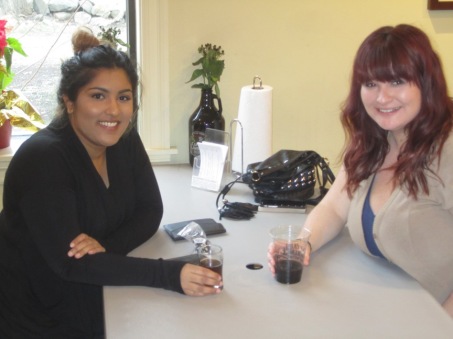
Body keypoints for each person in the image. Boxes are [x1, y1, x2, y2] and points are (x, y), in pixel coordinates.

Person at [0, 27, 222, 338]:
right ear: (70, 101)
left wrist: (106, 247)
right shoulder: (43, 160)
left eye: (124, 97)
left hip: (96, 293)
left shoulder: (123, 138)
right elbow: (73, 265)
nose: (114, 111)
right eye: (98, 96)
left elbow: (150, 210)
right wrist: (169, 274)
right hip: (40, 316)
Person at [268, 24, 453, 317]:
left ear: (426, 82)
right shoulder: (374, 140)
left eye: (396, 82)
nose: (382, 98)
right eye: (371, 84)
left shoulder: (448, 149)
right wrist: (303, 243)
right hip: (385, 311)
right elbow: (334, 208)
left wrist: (442, 325)